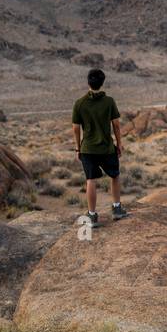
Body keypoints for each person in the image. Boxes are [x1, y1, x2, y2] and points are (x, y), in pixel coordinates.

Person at [71, 68, 128, 226]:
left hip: (88, 149)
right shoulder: (109, 102)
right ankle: (117, 209)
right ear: (102, 82)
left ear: (88, 82)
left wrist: (77, 148)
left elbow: (75, 128)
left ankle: (92, 215)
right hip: (106, 147)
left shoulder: (79, 103)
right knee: (115, 175)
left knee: (91, 180)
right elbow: (116, 125)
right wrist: (119, 144)